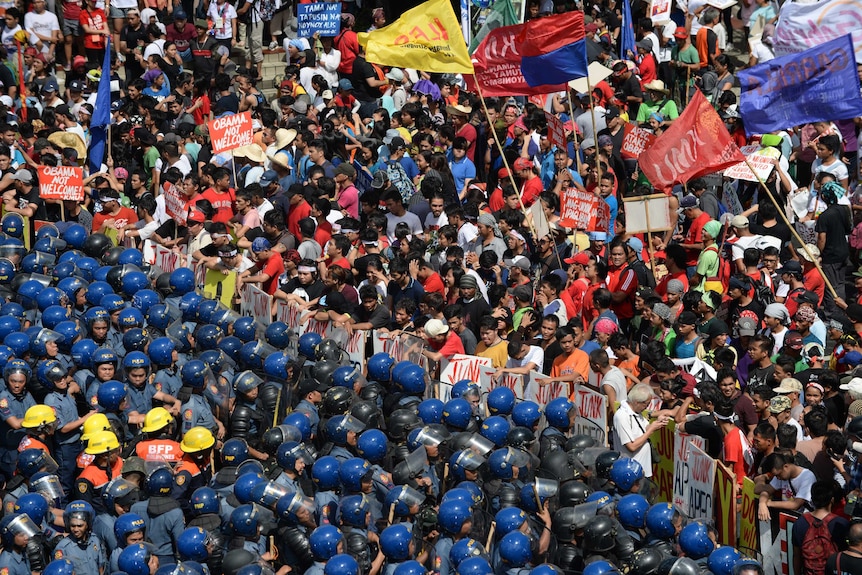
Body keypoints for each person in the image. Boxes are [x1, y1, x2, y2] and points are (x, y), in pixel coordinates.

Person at [613, 383, 669, 477]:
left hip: (642, 471)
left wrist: (658, 423)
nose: (647, 407)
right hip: (631, 473)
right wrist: (651, 430)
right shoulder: (622, 416)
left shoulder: (636, 412)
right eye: (646, 404)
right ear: (636, 402)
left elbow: (644, 428)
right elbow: (631, 446)